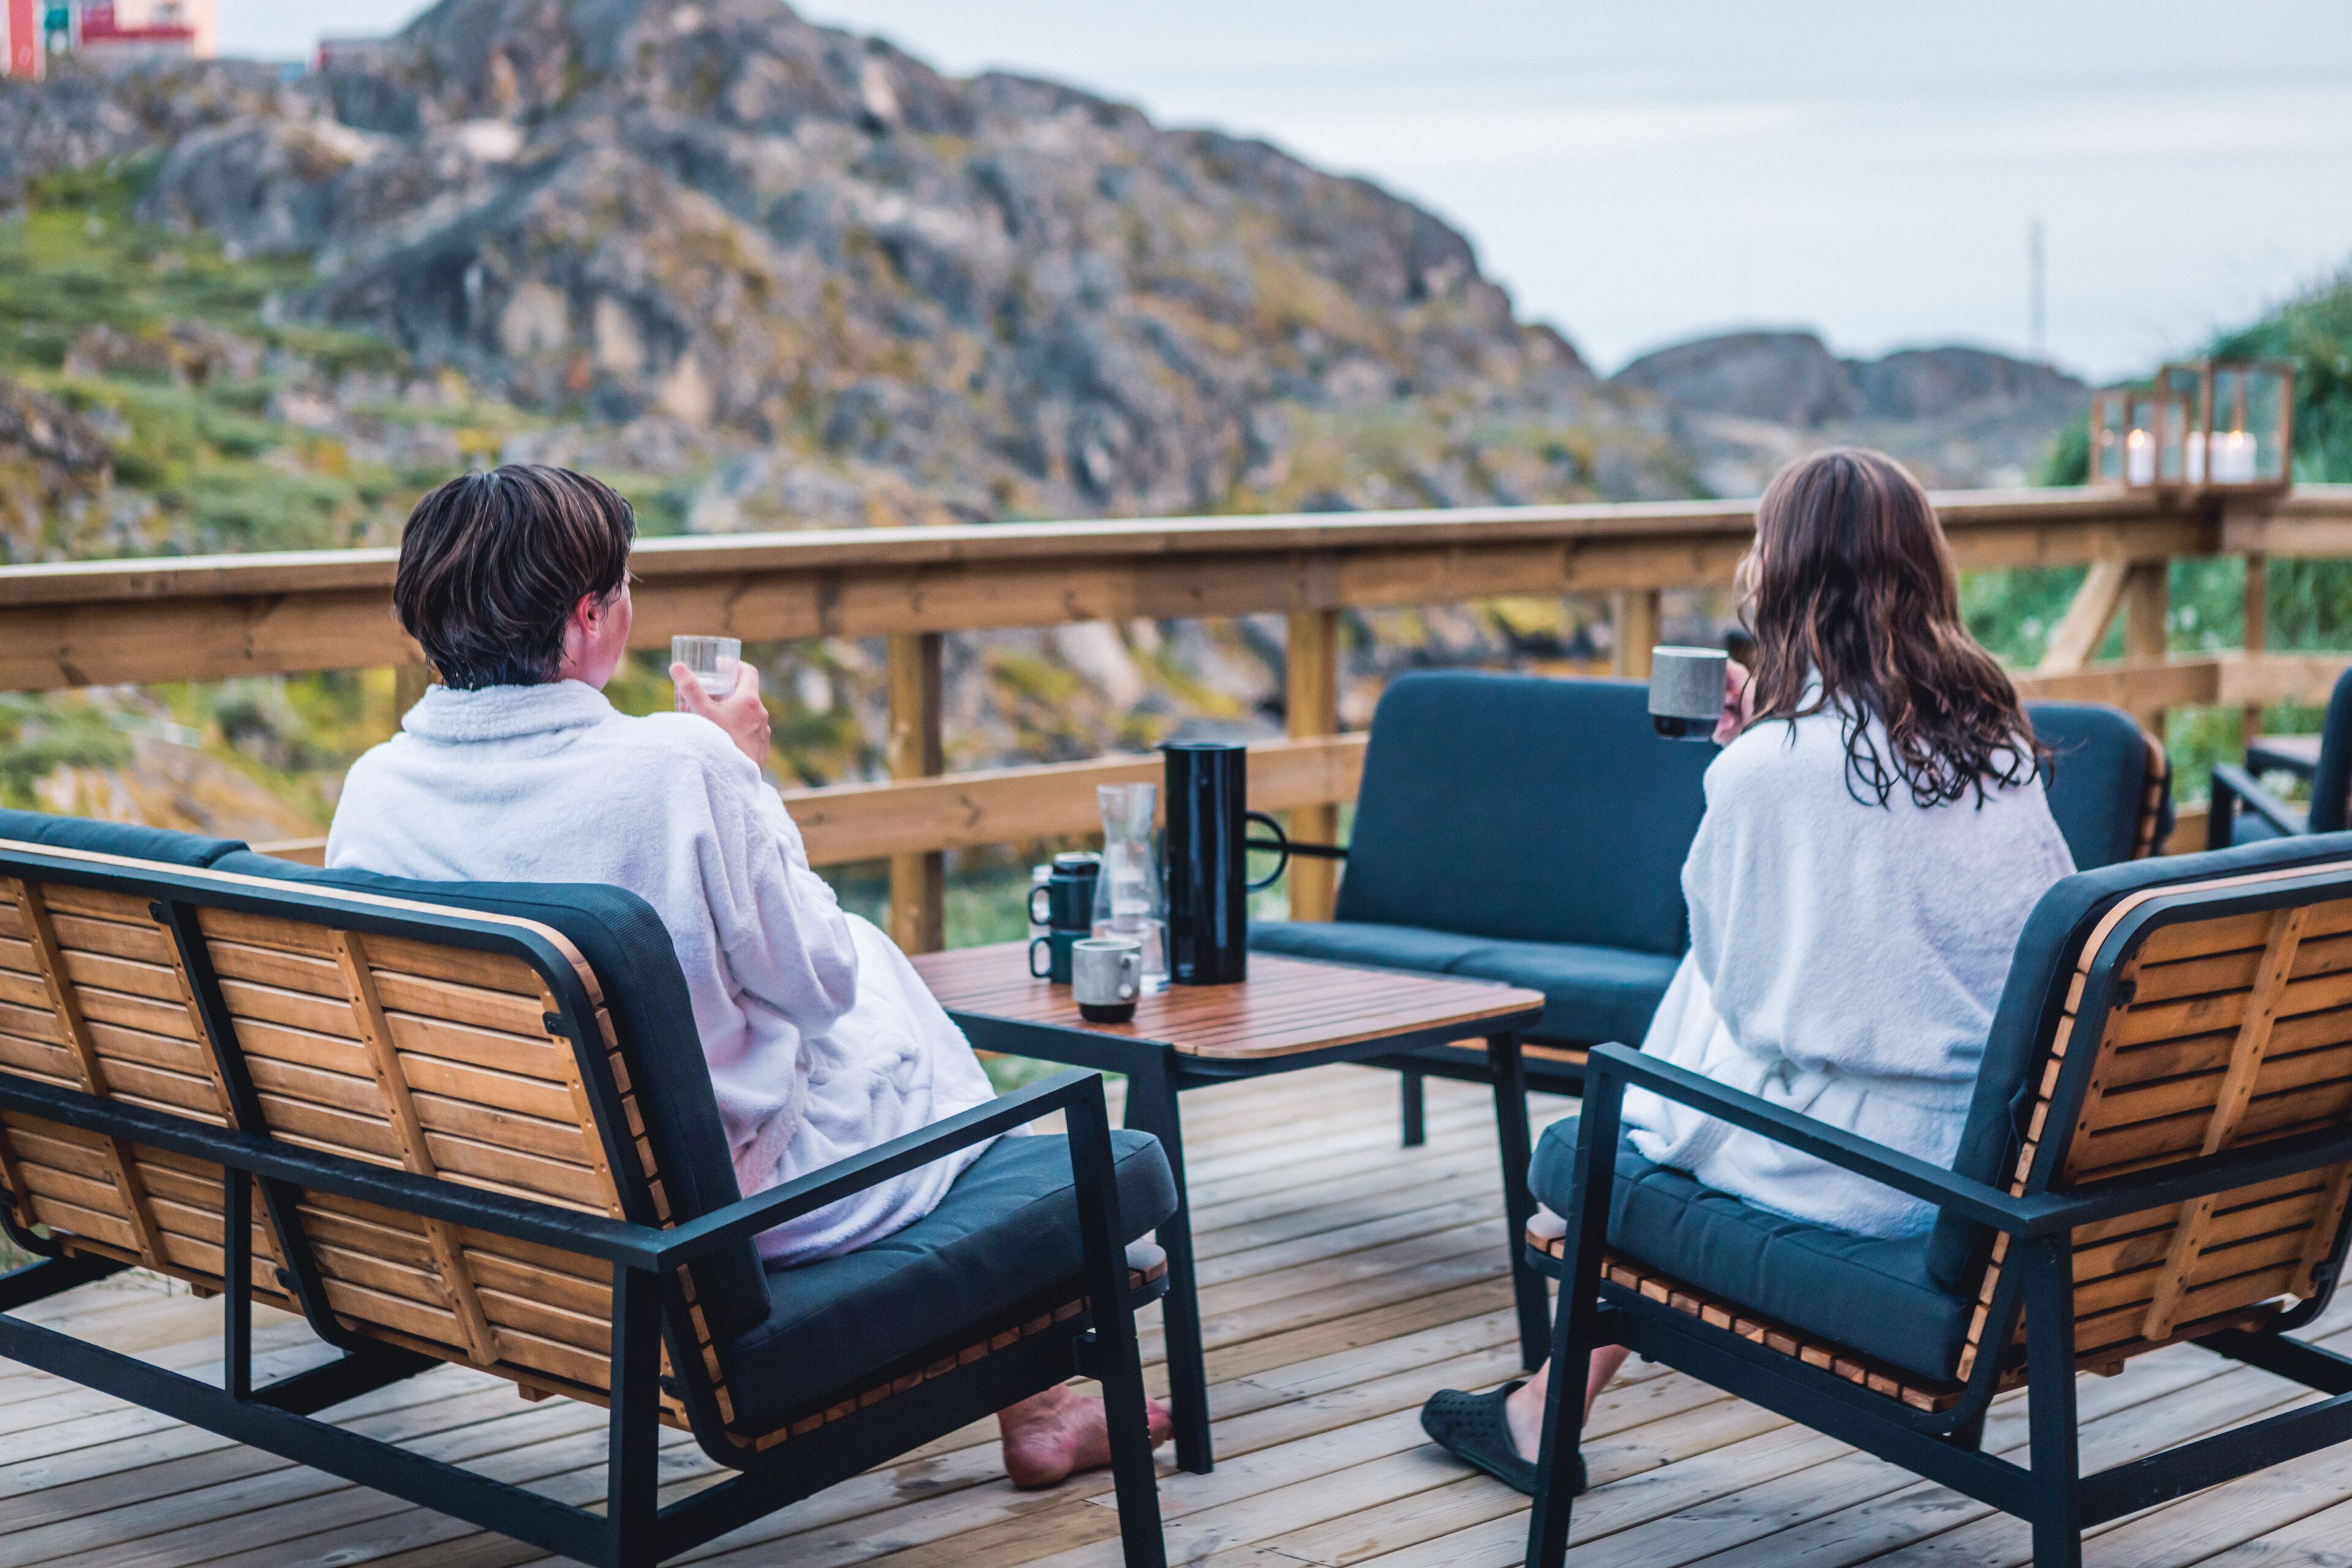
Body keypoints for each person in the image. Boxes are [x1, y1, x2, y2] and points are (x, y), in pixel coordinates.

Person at [328, 464, 1172, 1487]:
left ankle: (1040, 1394)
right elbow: (814, 983)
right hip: (715, 1221)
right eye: (625, 586)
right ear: (591, 617)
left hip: (503, 1194)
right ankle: (1043, 1383)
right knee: (872, 970)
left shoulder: (376, 790)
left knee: (869, 982)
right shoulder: (676, 766)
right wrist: (745, 772)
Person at [1419, 447, 2077, 1493]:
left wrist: (1752, 764)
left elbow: (1744, 994)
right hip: (1989, 1165)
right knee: (1650, 1117)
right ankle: (1546, 1406)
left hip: (1864, 1183)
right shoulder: (1993, 747)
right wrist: (1769, 745)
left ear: (1783, 575)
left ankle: (1548, 1400)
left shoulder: (1773, 774)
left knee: (1595, 1160)